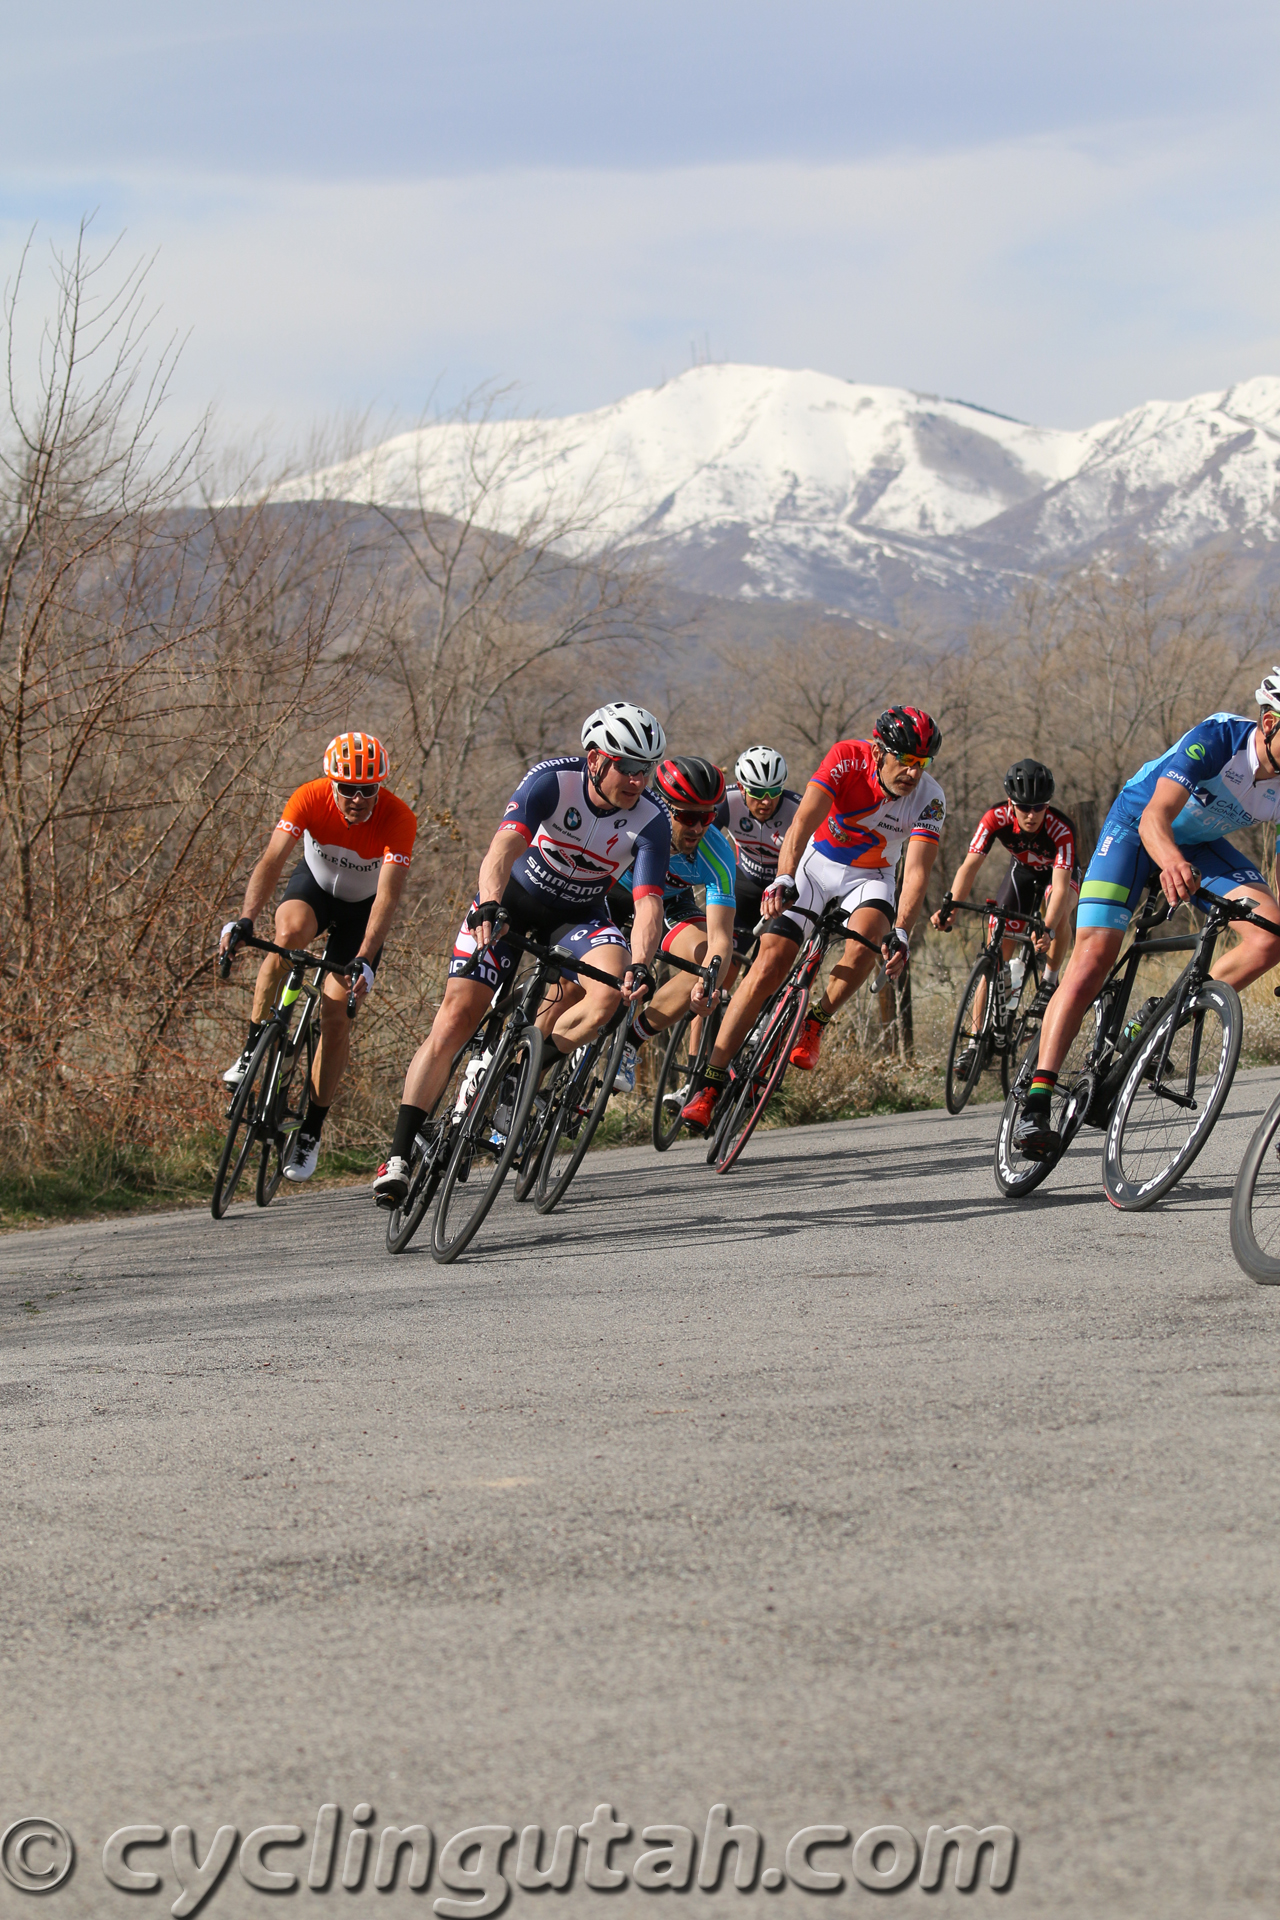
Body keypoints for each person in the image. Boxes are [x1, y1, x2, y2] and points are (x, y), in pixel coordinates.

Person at [373, 701, 670, 1205]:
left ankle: (517, 1075)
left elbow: (647, 906)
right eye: (628, 767)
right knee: (457, 1017)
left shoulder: (651, 820)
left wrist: (642, 963)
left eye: (647, 769)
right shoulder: (553, 782)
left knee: (608, 997)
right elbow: (503, 849)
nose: (639, 780)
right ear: (596, 759)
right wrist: (489, 904)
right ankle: (399, 1155)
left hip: (579, 917)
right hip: (511, 903)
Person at [1015, 684, 1280, 1158]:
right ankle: (1036, 1098)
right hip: (1137, 828)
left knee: (1268, 939)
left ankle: (1161, 1014)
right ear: (1269, 723)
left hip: (1203, 846)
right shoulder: (1219, 739)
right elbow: (1155, 817)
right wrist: (1171, 863)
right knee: (1093, 958)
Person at [680, 707, 946, 1132]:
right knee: (769, 963)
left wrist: (901, 932)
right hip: (817, 866)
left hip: (873, 876)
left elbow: (916, 872)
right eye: (905, 761)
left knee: (868, 942)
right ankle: (708, 1086)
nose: (913, 773)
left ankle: (815, 1020)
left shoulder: (930, 799)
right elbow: (803, 822)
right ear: (878, 750)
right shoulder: (846, 757)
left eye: (922, 764)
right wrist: (783, 876)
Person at [219, 731, 417, 1181]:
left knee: (335, 1014)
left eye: (369, 788)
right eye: (348, 788)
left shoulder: (398, 817)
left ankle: (311, 1128)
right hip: (315, 890)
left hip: (361, 915)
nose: (358, 799)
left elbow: (387, 896)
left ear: (380, 787)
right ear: (332, 784)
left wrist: (365, 957)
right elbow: (272, 859)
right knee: (288, 934)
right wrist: (246, 918)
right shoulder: (308, 797)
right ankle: (253, 1049)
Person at [931, 758, 1079, 1062]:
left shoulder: (1061, 829)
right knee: (996, 951)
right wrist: (952, 906)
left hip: (1059, 876)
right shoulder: (994, 818)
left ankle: (1050, 981)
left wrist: (1046, 929)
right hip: (1022, 872)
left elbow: (1062, 889)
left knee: (1059, 910)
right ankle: (973, 1045)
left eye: (1040, 807)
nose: (1032, 814)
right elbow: (970, 865)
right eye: (1024, 807)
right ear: (1011, 803)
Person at [607, 756, 737, 1093]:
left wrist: (707, 988)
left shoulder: (717, 852)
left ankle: (630, 1042)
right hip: (611, 896)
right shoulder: (633, 822)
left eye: (707, 817)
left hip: (669, 905)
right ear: (664, 807)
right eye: (687, 816)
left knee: (708, 961)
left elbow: (722, 940)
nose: (697, 828)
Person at [714, 747, 804, 960]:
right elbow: (699, 841)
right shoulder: (727, 801)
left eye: (774, 792)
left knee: (767, 964)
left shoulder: (797, 809)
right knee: (726, 959)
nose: (766, 801)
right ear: (741, 787)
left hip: (785, 895)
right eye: (757, 792)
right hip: (745, 885)